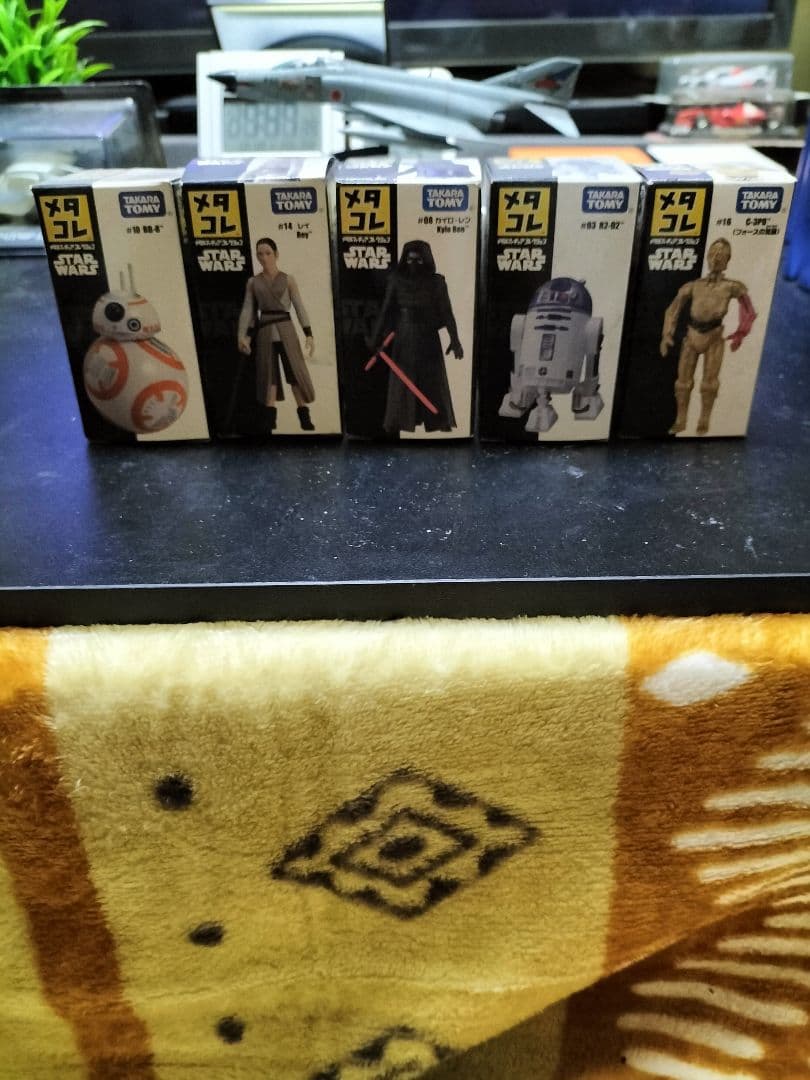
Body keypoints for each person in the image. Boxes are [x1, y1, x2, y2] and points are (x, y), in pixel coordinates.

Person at [660, 238, 756, 436]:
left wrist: (741, 332)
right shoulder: (694, 286)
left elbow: (748, 309)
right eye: (713, 254)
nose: (716, 258)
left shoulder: (732, 286)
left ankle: (704, 421)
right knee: (682, 383)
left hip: (714, 338)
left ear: (728, 260)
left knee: (709, 384)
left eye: (721, 255)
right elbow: (673, 309)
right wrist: (666, 334)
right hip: (691, 336)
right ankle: (681, 420)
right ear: (707, 257)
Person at [370, 239, 463, 435]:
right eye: (410, 259)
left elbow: (447, 312)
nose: (413, 264)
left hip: (428, 335)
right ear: (405, 260)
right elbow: (386, 311)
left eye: (419, 260)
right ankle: (398, 420)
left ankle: (439, 420)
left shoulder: (436, 282)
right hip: (404, 335)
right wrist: (376, 338)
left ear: (426, 260)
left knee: (432, 379)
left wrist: (455, 340)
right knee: (402, 381)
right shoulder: (396, 280)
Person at [237, 237, 316, 432]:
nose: (264, 257)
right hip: (265, 331)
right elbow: (248, 310)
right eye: (260, 254)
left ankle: (304, 416)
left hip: (286, 330)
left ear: (276, 254)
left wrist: (308, 333)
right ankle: (269, 419)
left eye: (268, 253)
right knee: (268, 375)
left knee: (294, 373)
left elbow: (299, 306)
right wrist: (243, 335)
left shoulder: (288, 280)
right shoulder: (253, 282)